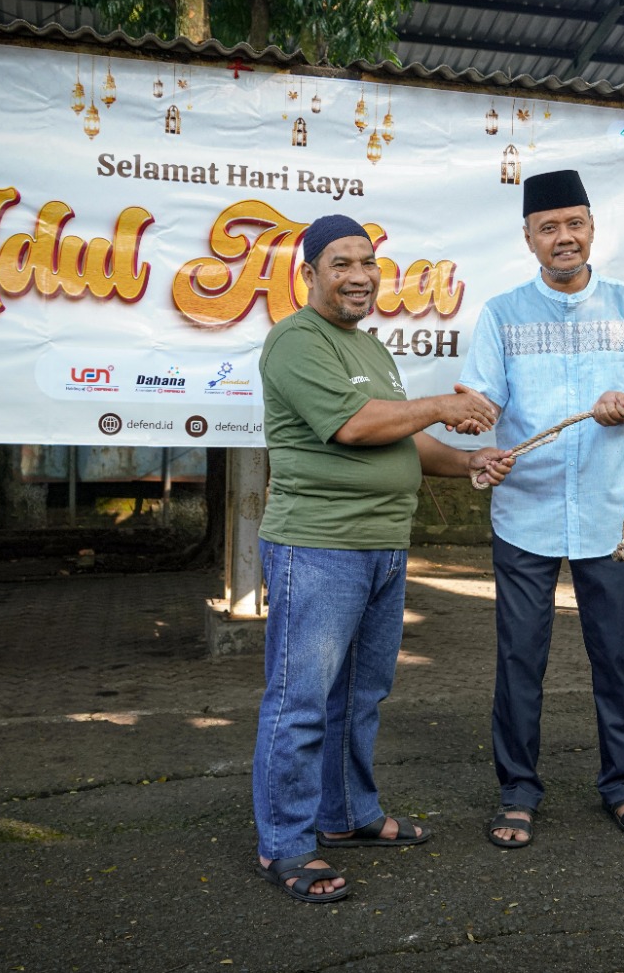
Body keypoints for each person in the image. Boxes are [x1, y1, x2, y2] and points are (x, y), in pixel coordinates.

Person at [253, 214, 514, 904]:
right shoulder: (295, 341)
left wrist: (470, 460)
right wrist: (442, 405)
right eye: (340, 263)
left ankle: (345, 816)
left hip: (381, 547)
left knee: (360, 694)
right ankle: (284, 842)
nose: (359, 275)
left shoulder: (371, 350)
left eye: (367, 262)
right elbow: (355, 425)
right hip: (317, 548)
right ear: (310, 274)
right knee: (300, 701)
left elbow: (400, 441)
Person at [458, 169, 624, 847]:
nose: (564, 237)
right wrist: (473, 421)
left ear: (592, 228)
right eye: (548, 227)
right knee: (521, 658)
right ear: (528, 237)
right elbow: (482, 399)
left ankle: (622, 784)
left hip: (611, 517)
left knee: (617, 656)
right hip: (526, 511)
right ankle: (518, 789)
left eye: (574, 223)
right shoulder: (500, 314)